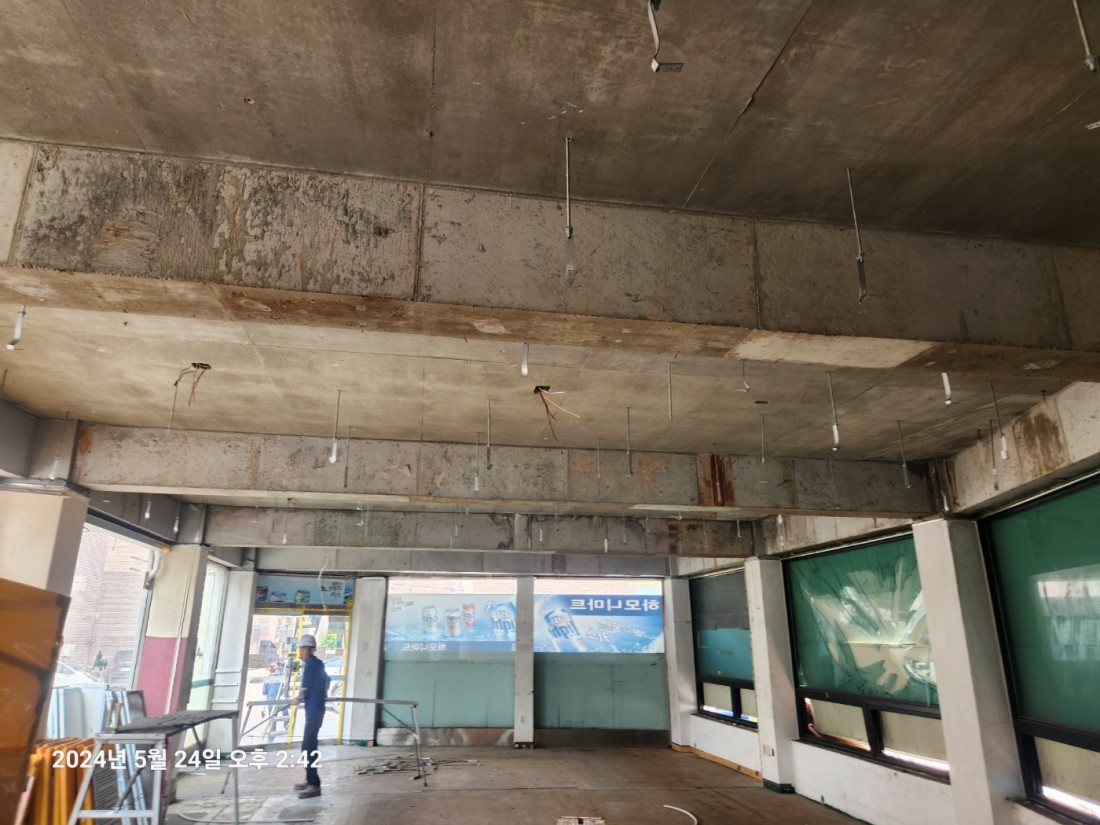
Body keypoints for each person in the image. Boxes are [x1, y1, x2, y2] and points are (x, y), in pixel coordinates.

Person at [292, 635, 329, 799]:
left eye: (303, 649)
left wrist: (298, 698)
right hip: (315, 710)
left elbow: (305, 687)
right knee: (308, 746)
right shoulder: (318, 664)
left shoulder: (311, 666)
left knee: (308, 747)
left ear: (310, 649)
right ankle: (310, 780)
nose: (300, 652)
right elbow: (327, 680)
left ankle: (314, 784)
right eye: (300, 649)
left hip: (314, 711)